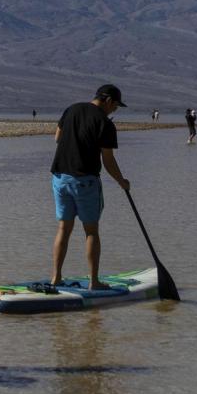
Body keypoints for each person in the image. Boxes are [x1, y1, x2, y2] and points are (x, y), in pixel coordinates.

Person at [50, 84, 132, 290]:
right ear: (108, 100)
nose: (115, 110)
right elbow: (108, 160)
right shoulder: (104, 123)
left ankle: (56, 278)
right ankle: (94, 282)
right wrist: (122, 182)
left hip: (60, 178)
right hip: (85, 181)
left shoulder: (72, 109)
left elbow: (57, 138)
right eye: (116, 106)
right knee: (91, 231)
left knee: (63, 228)